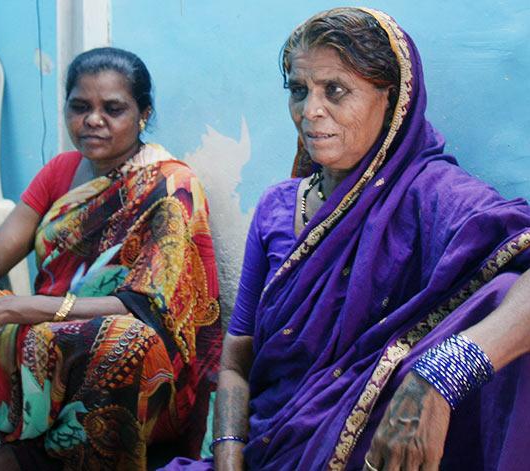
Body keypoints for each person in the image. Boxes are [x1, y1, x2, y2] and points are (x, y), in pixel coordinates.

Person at [164, 7, 530, 471]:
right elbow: (237, 361)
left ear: (391, 98)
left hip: (354, 452)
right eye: (299, 90)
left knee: (500, 292)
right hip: (263, 449)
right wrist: (229, 456)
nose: (311, 111)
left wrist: (440, 376)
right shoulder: (277, 206)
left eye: (335, 90)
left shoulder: (433, 195)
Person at [0, 47, 222, 471]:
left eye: (113, 109)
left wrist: (10, 309)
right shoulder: (63, 169)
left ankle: (36, 456)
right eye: (80, 107)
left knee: (124, 342)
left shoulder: (172, 187)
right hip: (43, 333)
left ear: (143, 114)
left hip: (106, 347)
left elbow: (145, 310)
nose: (93, 120)